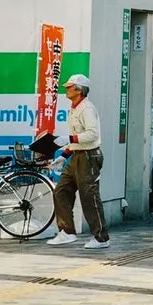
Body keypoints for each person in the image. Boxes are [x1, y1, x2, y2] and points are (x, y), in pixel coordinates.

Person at [48, 73, 109, 248]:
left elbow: (92, 134)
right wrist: (64, 155)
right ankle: (66, 232)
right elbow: (79, 138)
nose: (66, 89)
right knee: (61, 191)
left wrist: (69, 139)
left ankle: (101, 238)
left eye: (69, 87)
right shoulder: (76, 108)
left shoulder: (87, 109)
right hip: (77, 156)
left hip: (89, 157)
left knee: (89, 197)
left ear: (79, 90)